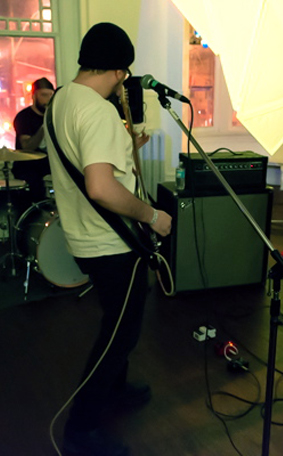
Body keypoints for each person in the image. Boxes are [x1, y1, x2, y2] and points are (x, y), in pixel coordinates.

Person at [44, 23, 172, 456]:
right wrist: (152, 216)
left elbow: (86, 162)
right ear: (120, 71)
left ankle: (116, 389)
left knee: (116, 321)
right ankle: (80, 431)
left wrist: (126, 143)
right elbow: (100, 187)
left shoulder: (62, 98)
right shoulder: (99, 112)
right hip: (111, 245)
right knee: (120, 335)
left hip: (85, 237)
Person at [13, 77, 55, 201]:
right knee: (35, 188)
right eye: (44, 95)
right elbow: (27, 147)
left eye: (51, 95)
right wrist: (43, 127)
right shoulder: (23, 117)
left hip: (49, 164)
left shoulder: (55, 115)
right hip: (28, 166)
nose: (48, 99)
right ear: (34, 96)